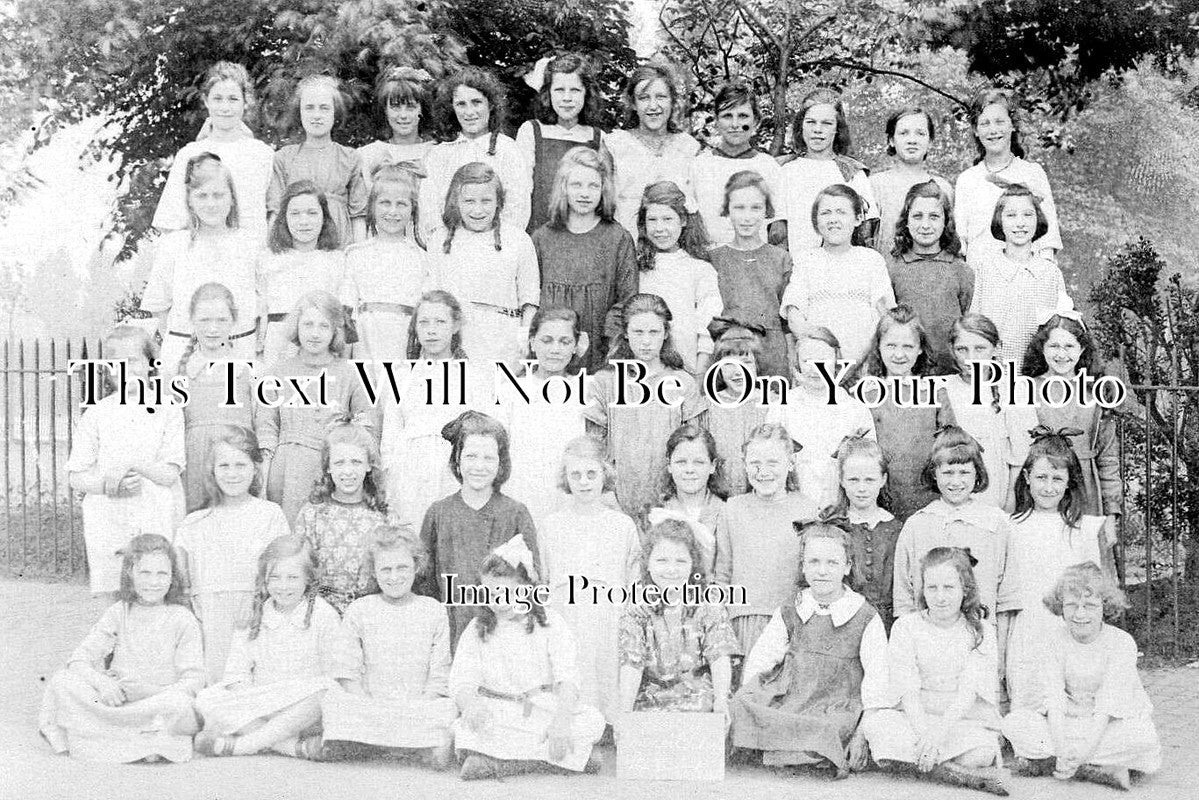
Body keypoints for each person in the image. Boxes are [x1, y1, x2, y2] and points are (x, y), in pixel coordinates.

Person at [731, 522, 890, 777]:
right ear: (803, 566)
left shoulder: (864, 615)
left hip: (834, 703)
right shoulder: (792, 608)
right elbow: (762, 657)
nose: (822, 571)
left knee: (827, 729)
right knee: (740, 704)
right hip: (791, 696)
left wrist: (863, 732)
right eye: (814, 562)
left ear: (847, 567)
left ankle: (784, 751)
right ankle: (787, 750)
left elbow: (878, 678)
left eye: (832, 563)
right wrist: (748, 693)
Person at [39, 534, 203, 763]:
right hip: (117, 702)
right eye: (145, 573)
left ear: (173, 577)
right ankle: (138, 743)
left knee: (181, 705)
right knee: (63, 681)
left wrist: (149, 692)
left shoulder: (182, 618)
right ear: (130, 573)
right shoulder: (120, 611)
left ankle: (113, 740)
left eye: (161, 574)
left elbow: (194, 681)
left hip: (156, 703)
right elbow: (79, 659)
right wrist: (103, 683)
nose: (153, 582)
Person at [450, 539, 606, 778]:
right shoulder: (477, 627)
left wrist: (561, 722)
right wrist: (470, 706)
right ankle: (567, 760)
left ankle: (498, 765)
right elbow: (463, 680)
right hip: (498, 712)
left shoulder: (551, 622)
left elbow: (568, 677)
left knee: (593, 721)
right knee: (465, 728)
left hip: (542, 709)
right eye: (490, 594)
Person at [1001, 563, 1161, 789]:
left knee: (1142, 737)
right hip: (1065, 724)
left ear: (1105, 606)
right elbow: (1054, 701)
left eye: (1090, 605)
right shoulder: (1052, 641)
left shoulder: (1121, 643)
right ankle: (1095, 769)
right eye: (1072, 605)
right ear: (1061, 607)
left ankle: (1055, 763)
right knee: (1014, 724)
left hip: (1106, 726)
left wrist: (1082, 751)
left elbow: (1107, 706)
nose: (1080, 614)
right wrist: (1064, 747)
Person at [862, 547, 1006, 795]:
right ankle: (951, 772)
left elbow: (968, 693)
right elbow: (907, 690)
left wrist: (936, 737)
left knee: (981, 750)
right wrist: (925, 735)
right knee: (878, 728)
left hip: (958, 721)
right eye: (932, 588)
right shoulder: (906, 627)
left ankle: (919, 765)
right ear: (922, 590)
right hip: (915, 718)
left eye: (949, 588)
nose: (940, 597)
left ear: (965, 589)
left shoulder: (981, 631)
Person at [194, 535, 343, 760]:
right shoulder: (254, 614)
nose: (283, 586)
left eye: (293, 577)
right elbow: (235, 674)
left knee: (328, 692)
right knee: (206, 699)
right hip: (263, 705)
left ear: (309, 579)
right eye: (275, 577)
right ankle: (292, 747)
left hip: (304, 708)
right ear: (264, 579)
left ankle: (244, 745)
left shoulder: (324, 615)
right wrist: (251, 701)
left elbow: (333, 673)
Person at [320, 526, 457, 767]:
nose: (394, 577)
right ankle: (407, 746)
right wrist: (369, 704)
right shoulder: (360, 609)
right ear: (374, 572)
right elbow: (346, 671)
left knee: (447, 709)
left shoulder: (433, 609)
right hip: (371, 704)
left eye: (402, 567)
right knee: (333, 701)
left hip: (418, 707)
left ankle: (377, 744)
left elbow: (440, 674)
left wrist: (419, 705)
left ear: (417, 566)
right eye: (386, 569)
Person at [68, 325, 185, 594]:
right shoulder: (97, 414)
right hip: (109, 515)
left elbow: (170, 473)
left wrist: (134, 465)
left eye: (132, 361)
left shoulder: (168, 409)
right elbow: (76, 475)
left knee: (155, 589)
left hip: (155, 512)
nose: (125, 370)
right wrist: (110, 486)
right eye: (115, 363)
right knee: (115, 590)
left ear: (150, 364)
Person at [892, 427, 1020, 657]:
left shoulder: (996, 524)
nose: (956, 482)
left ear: (977, 474)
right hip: (928, 648)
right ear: (934, 474)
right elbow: (904, 599)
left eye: (964, 472)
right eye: (948, 472)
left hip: (981, 646)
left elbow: (1008, 598)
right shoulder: (916, 525)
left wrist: (1000, 655)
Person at [539, 436, 641, 723]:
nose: (584, 482)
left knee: (605, 671)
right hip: (567, 616)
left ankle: (608, 724)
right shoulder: (552, 525)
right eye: (576, 474)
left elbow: (634, 582)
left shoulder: (622, 525)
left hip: (609, 619)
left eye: (591, 474)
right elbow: (545, 580)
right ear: (566, 477)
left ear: (604, 474)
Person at [174, 425, 288, 682]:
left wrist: (259, 601)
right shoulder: (194, 522)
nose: (232, 474)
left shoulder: (270, 514)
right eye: (224, 466)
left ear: (254, 468)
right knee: (214, 683)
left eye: (241, 465)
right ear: (212, 472)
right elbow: (182, 580)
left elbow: (280, 567)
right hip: (210, 617)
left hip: (255, 611)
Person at [416, 411, 539, 648]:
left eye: (488, 458)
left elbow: (532, 582)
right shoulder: (438, 513)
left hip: (504, 637)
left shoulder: (516, 513)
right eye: (471, 456)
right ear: (457, 460)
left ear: (501, 463)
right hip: (450, 634)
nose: (479, 466)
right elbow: (424, 584)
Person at [1006, 429, 1106, 711]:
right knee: (1029, 700)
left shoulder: (1081, 530)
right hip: (1027, 627)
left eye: (1057, 479)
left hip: (1067, 626)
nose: (1048, 487)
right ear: (1026, 478)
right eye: (1041, 477)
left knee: (1069, 700)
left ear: (1068, 483)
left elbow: (1092, 589)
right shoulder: (1011, 527)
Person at [256, 291, 377, 525]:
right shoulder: (276, 372)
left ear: (335, 332)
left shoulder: (351, 373)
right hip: (286, 468)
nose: (314, 333)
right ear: (297, 327)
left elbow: (368, 426)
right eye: (308, 324)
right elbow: (266, 427)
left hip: (333, 470)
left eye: (324, 326)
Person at [584, 293, 708, 517]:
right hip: (616, 499)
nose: (646, 341)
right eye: (638, 332)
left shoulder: (683, 382)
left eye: (654, 332)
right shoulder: (605, 382)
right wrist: (606, 494)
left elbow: (695, 445)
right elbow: (593, 447)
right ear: (625, 334)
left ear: (666, 333)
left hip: (671, 500)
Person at [142, 153, 261, 368]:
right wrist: (185, 344)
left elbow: (263, 303)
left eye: (219, 195)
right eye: (202, 196)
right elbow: (159, 306)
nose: (211, 203)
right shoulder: (174, 244)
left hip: (240, 353)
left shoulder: (250, 243)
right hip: (184, 355)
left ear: (232, 198)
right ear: (189, 200)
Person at [1022, 312, 1122, 564]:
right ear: (1041, 348)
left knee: (1084, 567)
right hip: (1041, 490)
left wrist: (1110, 517)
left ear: (1082, 349)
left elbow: (1108, 459)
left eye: (1069, 346)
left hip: (1085, 491)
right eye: (1053, 346)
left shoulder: (1095, 393)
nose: (1061, 354)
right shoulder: (1025, 389)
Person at [380, 290, 485, 530]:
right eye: (424, 322)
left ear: (455, 325)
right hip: (408, 472)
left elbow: (481, 432)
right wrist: (389, 484)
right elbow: (390, 437)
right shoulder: (402, 374)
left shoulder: (472, 375)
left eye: (440, 322)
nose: (431, 330)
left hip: (453, 469)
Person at [714, 423, 821, 657]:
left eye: (773, 463)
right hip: (745, 622)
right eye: (755, 463)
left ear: (790, 464)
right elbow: (722, 573)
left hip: (793, 621)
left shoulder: (807, 508)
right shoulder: (733, 509)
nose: (763, 472)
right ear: (745, 465)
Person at [530, 146, 638, 372]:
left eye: (593, 186)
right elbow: (530, 301)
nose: (584, 193)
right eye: (576, 185)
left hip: (600, 350)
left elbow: (628, 300)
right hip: (551, 351)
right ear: (564, 188)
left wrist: (608, 347)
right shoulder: (542, 238)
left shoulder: (618, 238)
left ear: (603, 190)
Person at [846, 305, 956, 519]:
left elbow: (950, 447)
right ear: (878, 347)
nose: (899, 354)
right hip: (877, 502)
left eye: (908, 346)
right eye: (891, 345)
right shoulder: (864, 393)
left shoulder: (935, 392)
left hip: (927, 501)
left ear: (920, 348)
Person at [617, 519, 737, 713]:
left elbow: (719, 657)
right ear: (647, 564)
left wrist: (721, 701)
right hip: (651, 703)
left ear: (693, 566)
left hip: (699, 703)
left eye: (680, 561)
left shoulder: (708, 604)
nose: (671, 570)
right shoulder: (637, 609)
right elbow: (632, 665)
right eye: (661, 561)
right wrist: (624, 711)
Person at [430, 162, 539, 369]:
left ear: (499, 202)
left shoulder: (518, 239)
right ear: (456, 201)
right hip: (455, 340)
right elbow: (433, 298)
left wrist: (522, 343)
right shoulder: (440, 239)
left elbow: (529, 299)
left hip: (503, 341)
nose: (478, 210)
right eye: (469, 201)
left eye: (486, 201)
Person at [152, 61, 274, 245]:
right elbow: (170, 221)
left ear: (245, 102)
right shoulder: (189, 154)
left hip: (251, 255)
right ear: (206, 101)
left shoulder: (263, 154)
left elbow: (275, 215)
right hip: (202, 257)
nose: (225, 107)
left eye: (233, 99)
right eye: (218, 99)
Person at [494, 306, 589, 524]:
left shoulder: (584, 390)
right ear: (532, 342)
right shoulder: (512, 390)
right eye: (546, 340)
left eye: (564, 342)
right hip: (521, 489)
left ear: (576, 346)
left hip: (568, 493)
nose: (555, 349)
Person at [781, 184, 895, 364]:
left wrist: (862, 360)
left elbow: (885, 315)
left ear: (858, 219)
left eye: (841, 212)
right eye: (826, 213)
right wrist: (817, 352)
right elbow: (794, 315)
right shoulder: (807, 260)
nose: (833, 219)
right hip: (818, 365)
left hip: (865, 362)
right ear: (816, 222)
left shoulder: (871, 260)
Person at [767, 327, 876, 510]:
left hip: (840, 511)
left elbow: (869, 467)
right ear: (798, 363)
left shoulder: (855, 410)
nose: (814, 368)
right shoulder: (781, 408)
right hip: (791, 510)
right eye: (807, 360)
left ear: (836, 361)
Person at [419, 67, 531, 239]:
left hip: (496, 248)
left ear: (491, 104)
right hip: (451, 249)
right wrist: (447, 243)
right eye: (461, 104)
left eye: (476, 102)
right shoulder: (440, 154)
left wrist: (496, 244)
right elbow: (429, 208)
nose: (469, 112)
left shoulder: (507, 149)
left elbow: (518, 206)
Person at [968, 184, 1072, 366]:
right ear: (999, 220)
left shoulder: (1051, 273)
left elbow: (1060, 329)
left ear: (1038, 219)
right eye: (1011, 215)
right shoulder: (985, 269)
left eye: (1027, 214)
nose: (1020, 223)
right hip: (994, 371)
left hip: (1036, 373)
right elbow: (975, 327)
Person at [954, 88, 1061, 262]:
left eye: (999, 122)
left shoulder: (1032, 173)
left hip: (1026, 279)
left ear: (1013, 125)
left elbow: (1048, 240)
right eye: (985, 123)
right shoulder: (967, 179)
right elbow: (961, 243)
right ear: (975, 129)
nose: (993, 130)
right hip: (981, 280)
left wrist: (1043, 279)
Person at [341, 164, 434, 364]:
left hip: (405, 344)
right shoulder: (356, 255)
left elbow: (428, 312)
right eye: (385, 203)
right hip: (365, 343)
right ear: (372, 207)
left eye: (401, 204)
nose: (393, 211)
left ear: (413, 210)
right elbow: (347, 312)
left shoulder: (422, 258)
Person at [294, 424, 390, 613]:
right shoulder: (312, 514)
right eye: (339, 463)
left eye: (355, 462)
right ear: (328, 467)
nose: (348, 471)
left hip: (369, 611)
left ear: (369, 465)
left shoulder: (382, 517)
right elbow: (299, 568)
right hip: (320, 612)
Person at [176, 283, 255, 511]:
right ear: (192, 320)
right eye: (204, 320)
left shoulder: (248, 371)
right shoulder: (180, 372)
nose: (213, 329)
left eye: (221, 320)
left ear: (234, 321)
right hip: (195, 466)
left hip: (237, 468)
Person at [945, 313, 1036, 510]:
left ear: (996, 348)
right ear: (952, 350)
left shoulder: (1012, 388)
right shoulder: (945, 389)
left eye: (980, 349)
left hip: (997, 493)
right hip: (953, 492)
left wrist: (1011, 498)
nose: (971, 358)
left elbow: (1021, 452)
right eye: (962, 349)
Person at [708, 170, 792, 377]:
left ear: (766, 211)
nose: (747, 217)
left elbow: (787, 320)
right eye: (739, 208)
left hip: (772, 351)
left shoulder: (780, 258)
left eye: (755, 208)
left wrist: (792, 357)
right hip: (729, 352)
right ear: (727, 210)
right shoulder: (713, 259)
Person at [267, 74, 367, 246]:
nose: (317, 115)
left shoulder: (349, 157)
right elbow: (275, 213)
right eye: (309, 108)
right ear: (299, 112)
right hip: (296, 246)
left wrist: (358, 256)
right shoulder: (284, 158)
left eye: (324, 108)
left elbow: (358, 215)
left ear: (335, 111)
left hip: (339, 243)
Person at [256, 181, 346, 367]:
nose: (303, 221)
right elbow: (261, 310)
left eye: (312, 213)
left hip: (320, 347)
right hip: (278, 346)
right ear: (284, 217)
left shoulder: (337, 260)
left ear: (324, 217)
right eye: (295, 214)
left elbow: (341, 319)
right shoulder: (268, 258)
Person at [635, 181, 721, 374]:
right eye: (652, 220)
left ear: (683, 220)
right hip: (644, 367)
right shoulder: (638, 266)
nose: (659, 228)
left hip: (687, 366)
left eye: (667, 219)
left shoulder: (700, 269)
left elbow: (708, 323)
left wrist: (700, 371)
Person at [778, 88, 878, 253]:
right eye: (811, 122)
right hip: (797, 267)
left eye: (826, 123)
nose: (818, 129)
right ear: (800, 126)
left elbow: (866, 232)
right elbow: (777, 231)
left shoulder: (852, 173)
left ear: (837, 128)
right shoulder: (785, 170)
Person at [606, 61, 701, 236]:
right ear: (633, 103)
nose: (653, 105)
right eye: (644, 98)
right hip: (626, 249)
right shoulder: (615, 145)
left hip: (675, 252)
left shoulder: (688, 147)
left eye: (661, 97)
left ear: (672, 101)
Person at [886, 179, 972, 369]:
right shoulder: (893, 268)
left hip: (951, 370)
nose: (925, 225)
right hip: (907, 368)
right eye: (917, 216)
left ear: (946, 222)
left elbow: (967, 318)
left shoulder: (961, 269)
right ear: (906, 221)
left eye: (934, 216)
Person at [517, 52, 606, 234]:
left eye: (575, 90)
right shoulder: (531, 131)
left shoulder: (598, 138)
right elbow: (520, 191)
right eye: (559, 90)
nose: (567, 98)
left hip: (584, 235)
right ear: (547, 93)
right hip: (539, 233)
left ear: (586, 93)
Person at [689, 81, 783, 247]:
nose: (735, 124)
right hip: (708, 260)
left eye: (743, 116)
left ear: (756, 121)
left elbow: (778, 228)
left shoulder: (768, 166)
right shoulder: (699, 165)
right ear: (716, 121)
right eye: (727, 116)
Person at [823, 436, 902, 632]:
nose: (861, 488)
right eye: (853, 480)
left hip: (887, 626)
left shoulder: (897, 528)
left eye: (869, 480)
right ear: (841, 480)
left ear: (883, 479)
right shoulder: (833, 527)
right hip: (841, 624)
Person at [644, 423, 728, 577]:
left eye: (699, 462)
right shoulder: (656, 513)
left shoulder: (726, 513)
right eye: (681, 462)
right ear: (669, 465)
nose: (690, 470)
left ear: (712, 466)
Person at [870, 107, 954, 258]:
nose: (912, 140)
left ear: (930, 142)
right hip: (884, 273)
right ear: (891, 140)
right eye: (904, 133)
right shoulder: (876, 185)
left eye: (920, 133)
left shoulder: (943, 187)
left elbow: (950, 240)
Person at [357, 66, 435, 194]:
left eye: (410, 107)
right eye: (395, 107)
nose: (403, 115)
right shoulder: (367, 155)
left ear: (421, 110)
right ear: (385, 111)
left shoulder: (437, 153)